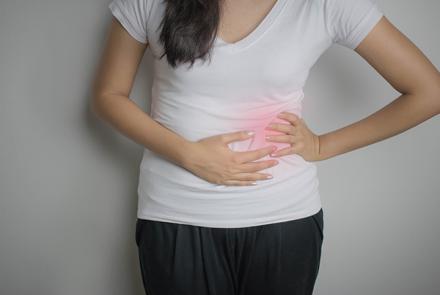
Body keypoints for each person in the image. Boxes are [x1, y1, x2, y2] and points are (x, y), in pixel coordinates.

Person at [91, 0, 440, 294]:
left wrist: (322, 144)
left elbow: (429, 91)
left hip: (283, 218)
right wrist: (190, 155)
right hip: (176, 213)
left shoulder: (325, 5)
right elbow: (108, 95)